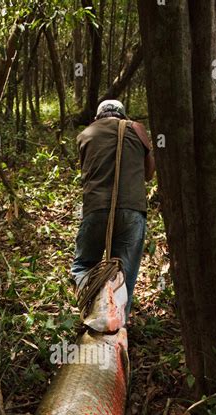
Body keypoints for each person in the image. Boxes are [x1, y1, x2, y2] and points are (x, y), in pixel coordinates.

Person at [71, 99, 155, 319]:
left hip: (96, 208)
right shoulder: (136, 129)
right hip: (132, 209)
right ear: (122, 115)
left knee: (83, 266)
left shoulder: (86, 134)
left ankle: (94, 308)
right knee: (124, 276)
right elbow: (149, 173)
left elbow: (85, 169)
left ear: (99, 117)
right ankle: (117, 325)